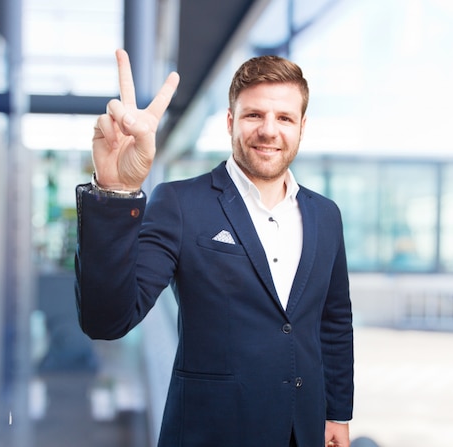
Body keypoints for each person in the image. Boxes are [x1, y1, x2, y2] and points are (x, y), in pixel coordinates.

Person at [75, 49, 354, 447]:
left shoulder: (326, 216)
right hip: (211, 431)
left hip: (303, 431)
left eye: (285, 118)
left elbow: (334, 322)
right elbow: (107, 320)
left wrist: (337, 413)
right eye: (254, 115)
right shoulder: (181, 203)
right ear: (230, 121)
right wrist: (116, 192)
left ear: (302, 127)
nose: (269, 130)